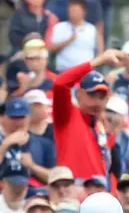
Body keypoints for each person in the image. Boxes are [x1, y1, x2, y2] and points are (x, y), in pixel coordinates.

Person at [52, 50, 123, 184]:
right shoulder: (67, 115)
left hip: (98, 195)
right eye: (91, 95)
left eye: (101, 97)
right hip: (71, 193)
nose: (96, 102)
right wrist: (99, 60)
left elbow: (109, 172)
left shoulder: (102, 127)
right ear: (79, 94)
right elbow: (60, 83)